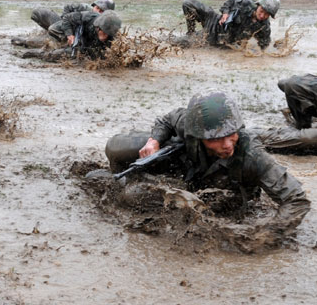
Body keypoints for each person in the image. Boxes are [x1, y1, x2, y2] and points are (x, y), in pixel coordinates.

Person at [103, 92, 310, 230]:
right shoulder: (190, 124)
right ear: (197, 135)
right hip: (188, 168)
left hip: (222, 195)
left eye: (232, 135)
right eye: (217, 138)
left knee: (134, 196)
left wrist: (267, 234)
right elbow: (169, 118)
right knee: (117, 148)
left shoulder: (252, 155)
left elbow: (296, 200)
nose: (228, 144)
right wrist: (154, 141)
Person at [181, 0, 279, 51]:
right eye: (262, 11)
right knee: (188, 4)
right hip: (215, 20)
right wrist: (225, 13)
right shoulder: (247, 3)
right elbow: (230, 2)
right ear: (258, 5)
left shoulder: (264, 27)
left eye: (267, 15)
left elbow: (264, 47)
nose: (262, 16)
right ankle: (191, 33)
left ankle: (191, 38)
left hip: (213, 37)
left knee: (178, 42)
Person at [12, 0, 115, 47]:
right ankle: (51, 35)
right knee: (37, 13)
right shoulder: (84, 8)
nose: (98, 12)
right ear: (94, 6)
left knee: (41, 43)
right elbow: (68, 7)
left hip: (74, 41)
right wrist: (66, 26)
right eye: (97, 8)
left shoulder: (107, 27)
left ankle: (25, 41)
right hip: (64, 26)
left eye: (102, 11)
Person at [20, 11, 122, 62]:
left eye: (108, 34)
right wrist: (70, 35)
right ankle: (36, 52)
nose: (105, 36)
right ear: (98, 28)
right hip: (75, 35)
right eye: (104, 32)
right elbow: (67, 18)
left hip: (84, 47)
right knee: (52, 30)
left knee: (68, 55)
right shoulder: (88, 17)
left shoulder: (113, 35)